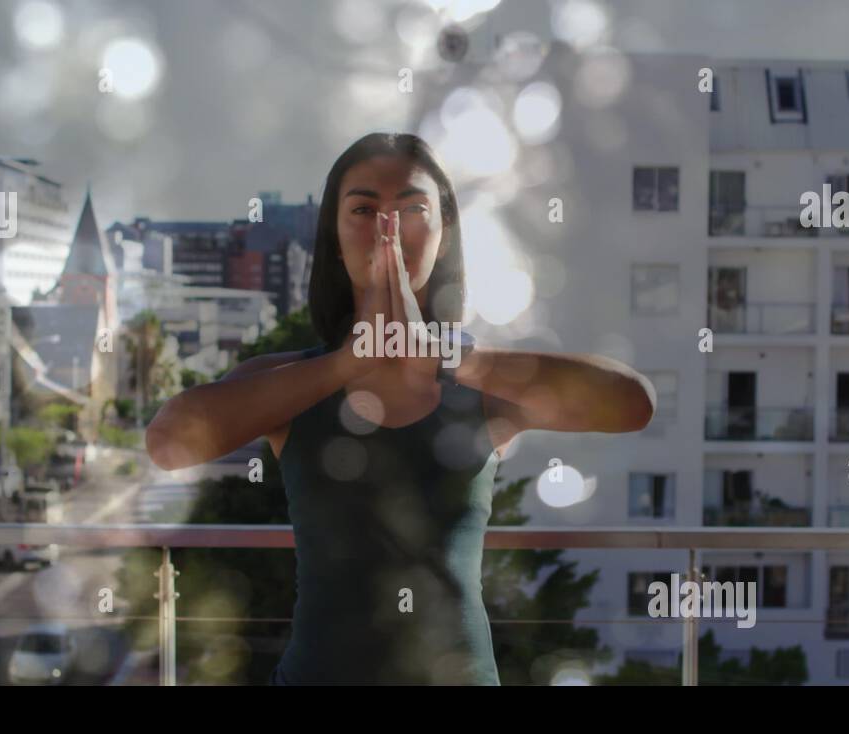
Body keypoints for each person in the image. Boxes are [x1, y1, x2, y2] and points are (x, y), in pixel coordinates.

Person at [145, 132, 656, 685]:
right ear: (334, 237)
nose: (388, 228)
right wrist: (348, 362)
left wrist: (442, 353)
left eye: (413, 209)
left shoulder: (485, 385)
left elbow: (631, 404)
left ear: (443, 233)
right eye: (364, 209)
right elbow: (168, 444)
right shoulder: (286, 382)